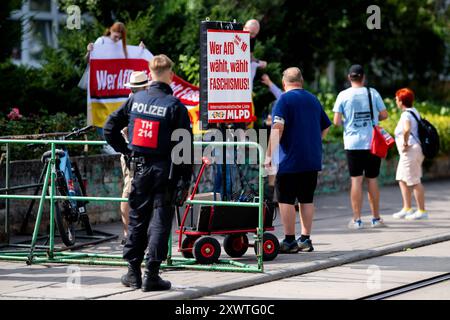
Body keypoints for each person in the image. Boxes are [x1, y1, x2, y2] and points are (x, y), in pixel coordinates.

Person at [103, 55, 193, 291]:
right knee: (161, 221)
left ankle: (133, 273)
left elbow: (109, 128)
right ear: (170, 75)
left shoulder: (135, 100)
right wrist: (185, 180)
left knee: (137, 219)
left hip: (140, 169)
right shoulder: (174, 106)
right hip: (165, 172)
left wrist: (126, 151)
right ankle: (152, 274)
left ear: (150, 74)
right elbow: (184, 148)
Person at [265, 67, 331, 253]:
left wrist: (269, 155)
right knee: (306, 199)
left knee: (285, 199)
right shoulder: (312, 99)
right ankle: (306, 239)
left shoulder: (283, 100)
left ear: (284, 83)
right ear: (301, 81)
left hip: (289, 160)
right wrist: (314, 140)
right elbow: (325, 126)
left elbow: (277, 127)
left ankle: (289, 241)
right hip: (311, 159)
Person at [333, 64, 389, 229]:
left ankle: (357, 220)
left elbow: (336, 122)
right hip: (372, 143)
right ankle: (376, 219)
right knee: (372, 179)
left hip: (352, 144)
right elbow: (384, 114)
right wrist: (373, 117)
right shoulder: (372, 93)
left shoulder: (343, 95)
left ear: (349, 78)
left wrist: (349, 120)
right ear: (363, 77)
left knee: (356, 180)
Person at [85, 22, 145, 154]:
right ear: (109, 32)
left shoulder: (121, 47)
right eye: (115, 36)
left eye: (119, 38)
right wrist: (89, 51)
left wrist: (140, 51)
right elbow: (90, 61)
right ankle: (109, 146)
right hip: (103, 86)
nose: (117, 40)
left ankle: (114, 147)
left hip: (113, 86)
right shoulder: (101, 41)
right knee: (104, 118)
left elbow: (129, 60)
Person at [119, 71, 152, 245]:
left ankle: (129, 233)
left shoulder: (130, 101)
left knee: (131, 190)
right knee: (130, 190)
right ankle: (128, 233)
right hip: (134, 152)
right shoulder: (136, 103)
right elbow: (123, 129)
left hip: (131, 151)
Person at [392, 88, 428, 220]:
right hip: (411, 151)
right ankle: (407, 208)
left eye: (397, 99)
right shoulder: (414, 112)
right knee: (402, 178)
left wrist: (405, 143)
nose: (396, 101)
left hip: (411, 150)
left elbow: (407, 129)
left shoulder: (406, 115)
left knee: (414, 180)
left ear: (401, 101)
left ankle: (422, 210)